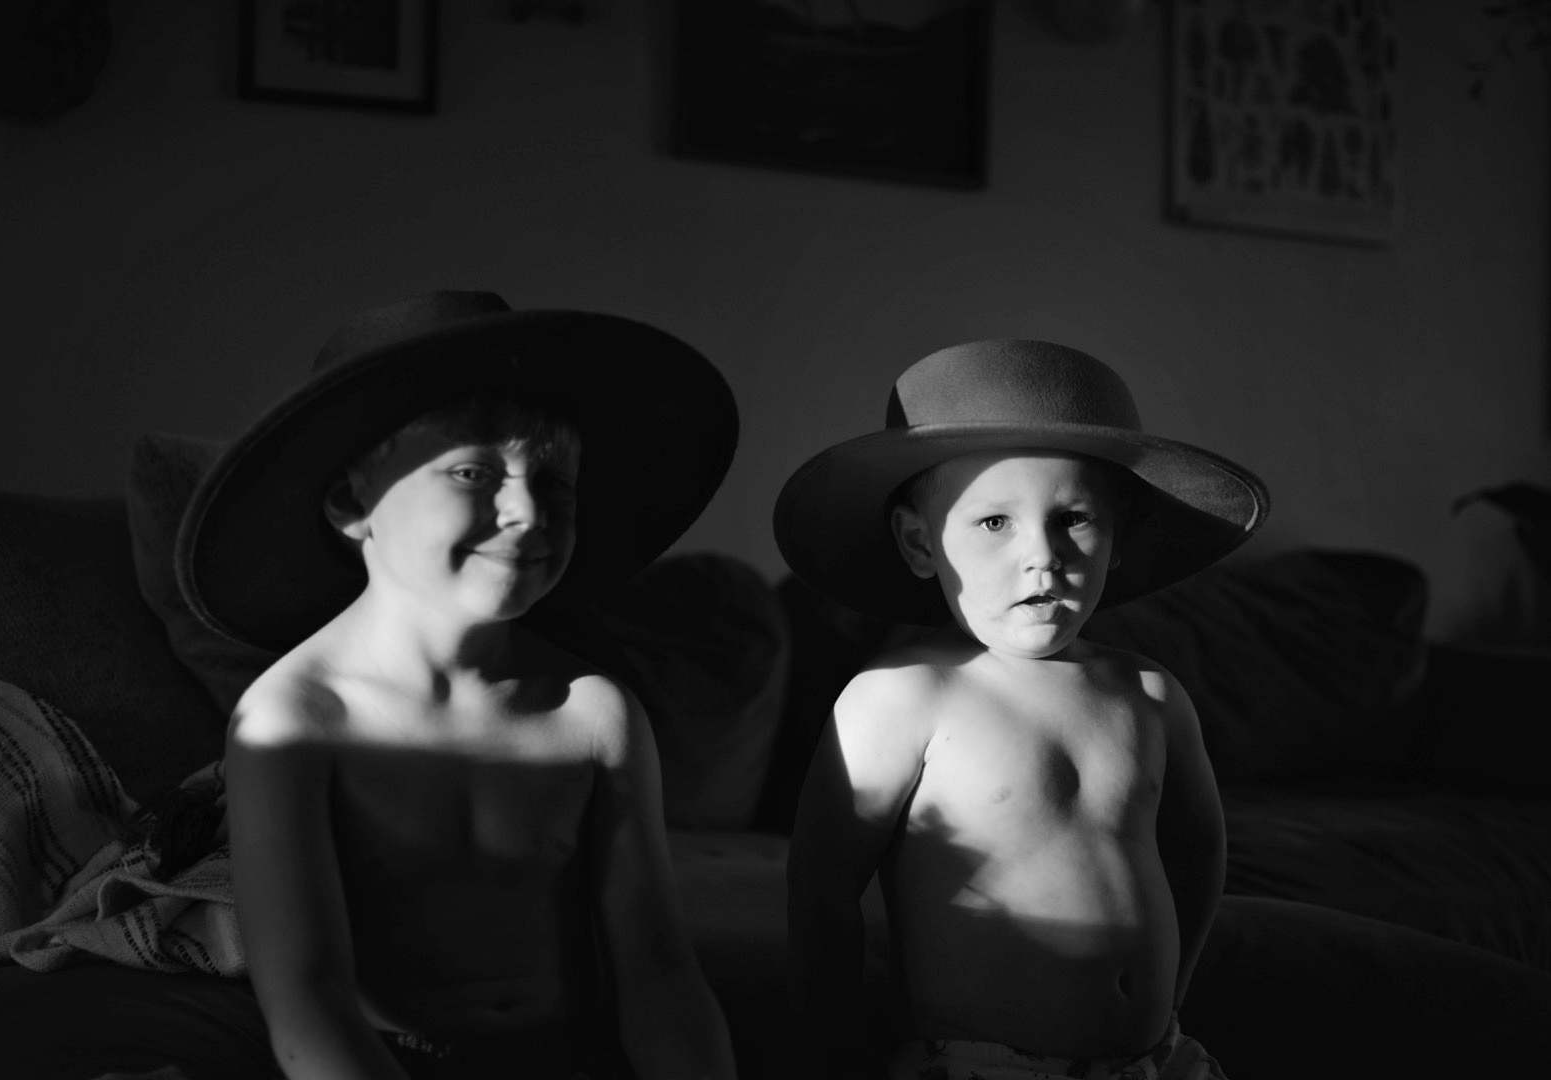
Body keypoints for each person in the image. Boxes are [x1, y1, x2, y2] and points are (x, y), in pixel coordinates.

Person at [175, 290, 740, 1080]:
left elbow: (659, 970)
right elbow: (308, 996)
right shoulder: (293, 719)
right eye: (475, 471)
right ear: (352, 502)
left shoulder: (592, 711)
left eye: (555, 482)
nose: (526, 511)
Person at [774, 339, 1269, 1080]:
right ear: (919, 542)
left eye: (1073, 517)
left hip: (1160, 1057)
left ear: (1118, 535)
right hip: (983, 1062)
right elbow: (821, 886)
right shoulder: (903, 696)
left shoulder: (1151, 693)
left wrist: (1172, 992)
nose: (1043, 554)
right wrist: (835, 1046)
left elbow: (1198, 852)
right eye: (994, 523)